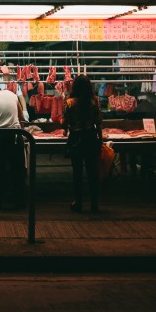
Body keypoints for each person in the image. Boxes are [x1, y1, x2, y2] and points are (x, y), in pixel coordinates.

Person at [62, 74, 103, 213]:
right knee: (93, 172)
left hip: (76, 138)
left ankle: (78, 202)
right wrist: (100, 140)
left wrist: (65, 130)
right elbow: (98, 123)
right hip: (91, 137)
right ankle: (94, 204)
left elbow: (65, 123)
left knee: (77, 172)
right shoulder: (94, 102)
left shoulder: (69, 102)